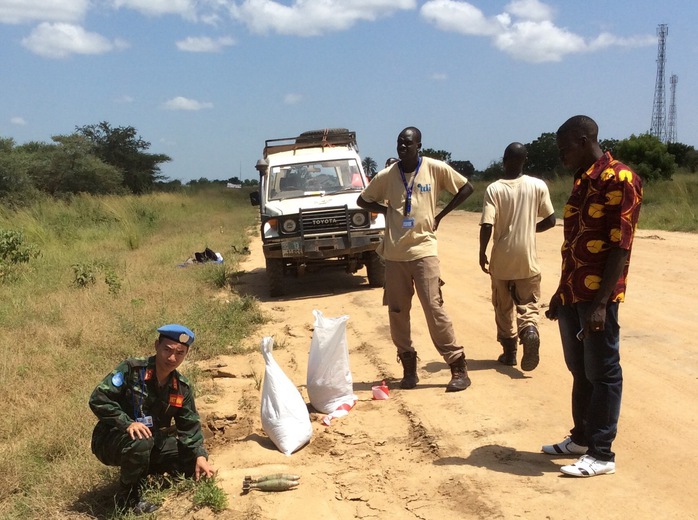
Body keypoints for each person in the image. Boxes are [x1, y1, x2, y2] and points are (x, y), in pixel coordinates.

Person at [542, 115, 642, 477]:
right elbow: (574, 245)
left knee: (603, 373)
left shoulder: (621, 178)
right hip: (572, 294)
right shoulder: (582, 180)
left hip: (597, 299)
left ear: (584, 140)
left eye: (565, 148)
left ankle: (601, 454)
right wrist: (560, 291)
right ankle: (581, 438)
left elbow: (621, 247)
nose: (561, 155)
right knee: (579, 371)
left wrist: (601, 303)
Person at [357, 126, 474, 392]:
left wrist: (441, 215)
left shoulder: (434, 168)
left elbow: (466, 187)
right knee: (398, 313)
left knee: (434, 308)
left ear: (419, 145)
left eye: (408, 143)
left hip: (424, 251)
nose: (403, 147)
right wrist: (386, 210)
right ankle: (409, 368)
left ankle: (457, 366)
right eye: (399, 143)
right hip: (395, 255)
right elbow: (363, 200)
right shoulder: (387, 175)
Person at [89, 324, 216, 514]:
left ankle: (144, 471)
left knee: (191, 461)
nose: (172, 358)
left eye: (180, 353)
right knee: (141, 440)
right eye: (167, 350)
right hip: (112, 439)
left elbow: (189, 427)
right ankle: (128, 500)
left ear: (186, 354)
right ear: (157, 345)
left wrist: (199, 455)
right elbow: (99, 399)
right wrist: (127, 423)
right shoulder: (132, 369)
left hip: (152, 441)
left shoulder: (181, 388)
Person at [479, 142, 556, 371]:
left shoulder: (494, 189)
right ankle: (529, 330)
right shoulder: (538, 185)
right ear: (526, 160)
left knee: (503, 307)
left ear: (504, 160)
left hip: (502, 259)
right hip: (527, 259)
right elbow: (551, 220)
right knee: (529, 304)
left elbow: (486, 224)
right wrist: (530, 229)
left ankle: (510, 352)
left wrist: (482, 251)